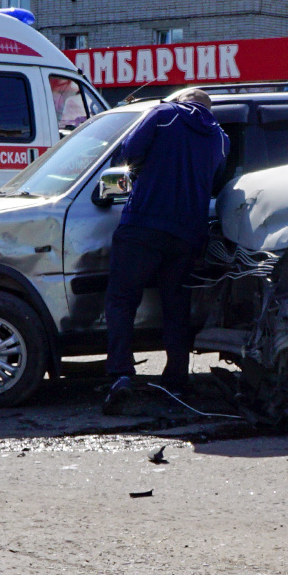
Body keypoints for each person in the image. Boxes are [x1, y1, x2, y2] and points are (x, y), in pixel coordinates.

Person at [102, 86, 229, 415]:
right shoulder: (219, 136)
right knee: (176, 307)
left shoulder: (162, 115)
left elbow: (128, 153)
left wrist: (146, 170)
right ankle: (176, 379)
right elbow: (215, 178)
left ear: (181, 101)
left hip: (143, 225)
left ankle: (121, 375)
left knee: (121, 299)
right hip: (187, 233)